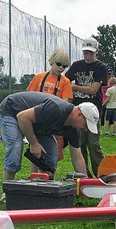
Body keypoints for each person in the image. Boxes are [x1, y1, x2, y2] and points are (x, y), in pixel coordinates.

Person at [0, 91, 96, 202]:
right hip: (11, 110)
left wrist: (85, 185)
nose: (86, 129)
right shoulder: (56, 109)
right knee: (15, 147)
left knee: (52, 153)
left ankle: (42, 192)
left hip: (35, 122)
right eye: (86, 124)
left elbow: (77, 156)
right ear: (79, 115)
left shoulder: (73, 129)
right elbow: (22, 117)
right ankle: (6, 193)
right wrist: (34, 143)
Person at [26, 48, 75, 176]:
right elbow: (30, 97)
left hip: (54, 121)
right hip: (37, 117)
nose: (61, 68)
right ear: (52, 61)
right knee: (36, 148)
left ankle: (48, 175)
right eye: (58, 64)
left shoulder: (65, 82)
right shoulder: (39, 77)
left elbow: (65, 103)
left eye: (64, 66)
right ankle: (33, 175)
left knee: (53, 151)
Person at [65, 37, 107, 177]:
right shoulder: (76, 66)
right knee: (79, 144)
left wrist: (75, 86)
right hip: (78, 111)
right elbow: (65, 81)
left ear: (96, 52)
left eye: (91, 53)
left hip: (93, 110)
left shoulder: (100, 67)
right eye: (85, 53)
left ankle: (101, 175)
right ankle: (84, 176)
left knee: (93, 144)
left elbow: (93, 89)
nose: (88, 56)